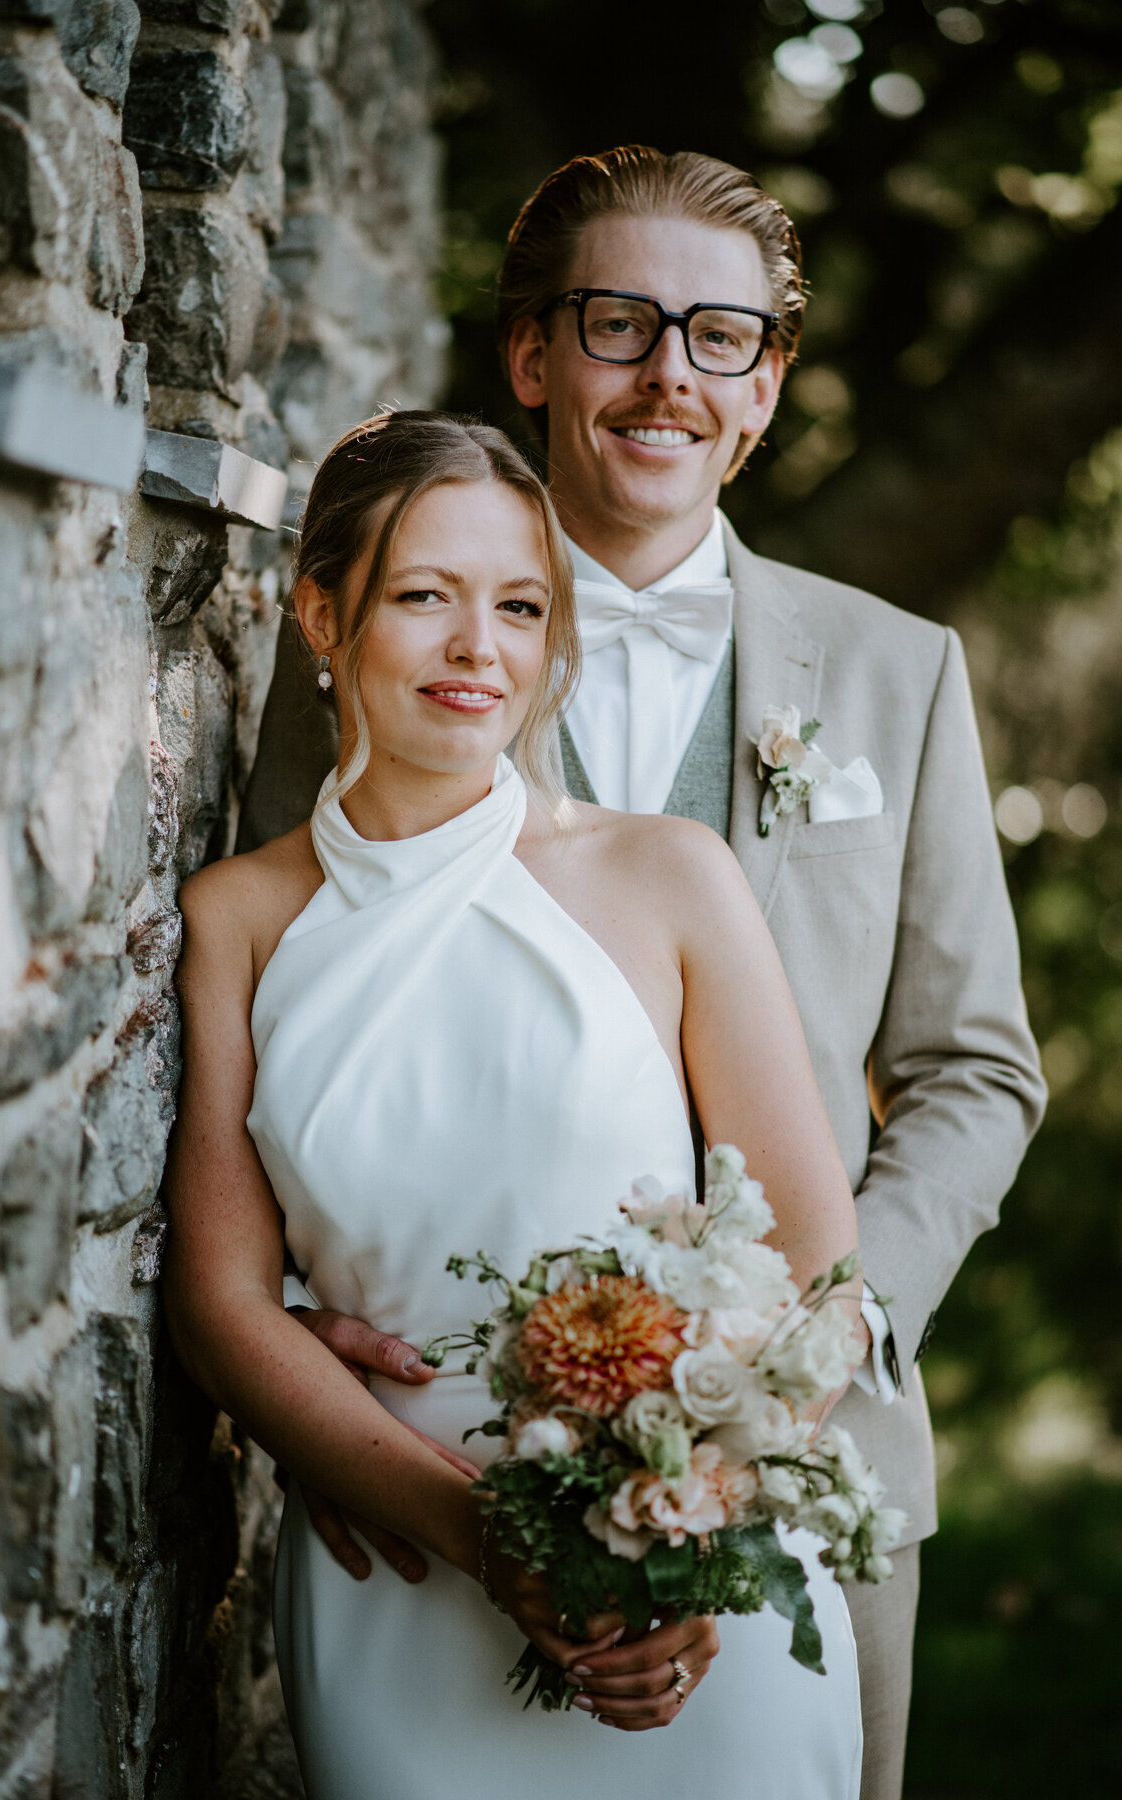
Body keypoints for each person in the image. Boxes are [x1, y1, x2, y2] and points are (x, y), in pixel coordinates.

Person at [236, 148, 1047, 1800]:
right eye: (621, 323)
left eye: (723, 338)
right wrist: (299, 1335)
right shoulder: (382, 641)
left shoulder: (896, 673)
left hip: (800, 1470)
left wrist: (807, 1354)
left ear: (767, 390)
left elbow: (976, 1070)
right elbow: (277, 988)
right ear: (534, 357)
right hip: (437, 1466)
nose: (670, 373)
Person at [164, 409, 869, 1799]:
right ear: (324, 611)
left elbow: (817, 1269)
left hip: (688, 1591)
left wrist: (680, 1534)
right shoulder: (235, 919)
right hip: (404, 1565)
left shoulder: (671, 878)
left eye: (520, 606)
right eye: (425, 596)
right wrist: (490, 1538)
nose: (479, 647)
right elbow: (223, 1300)